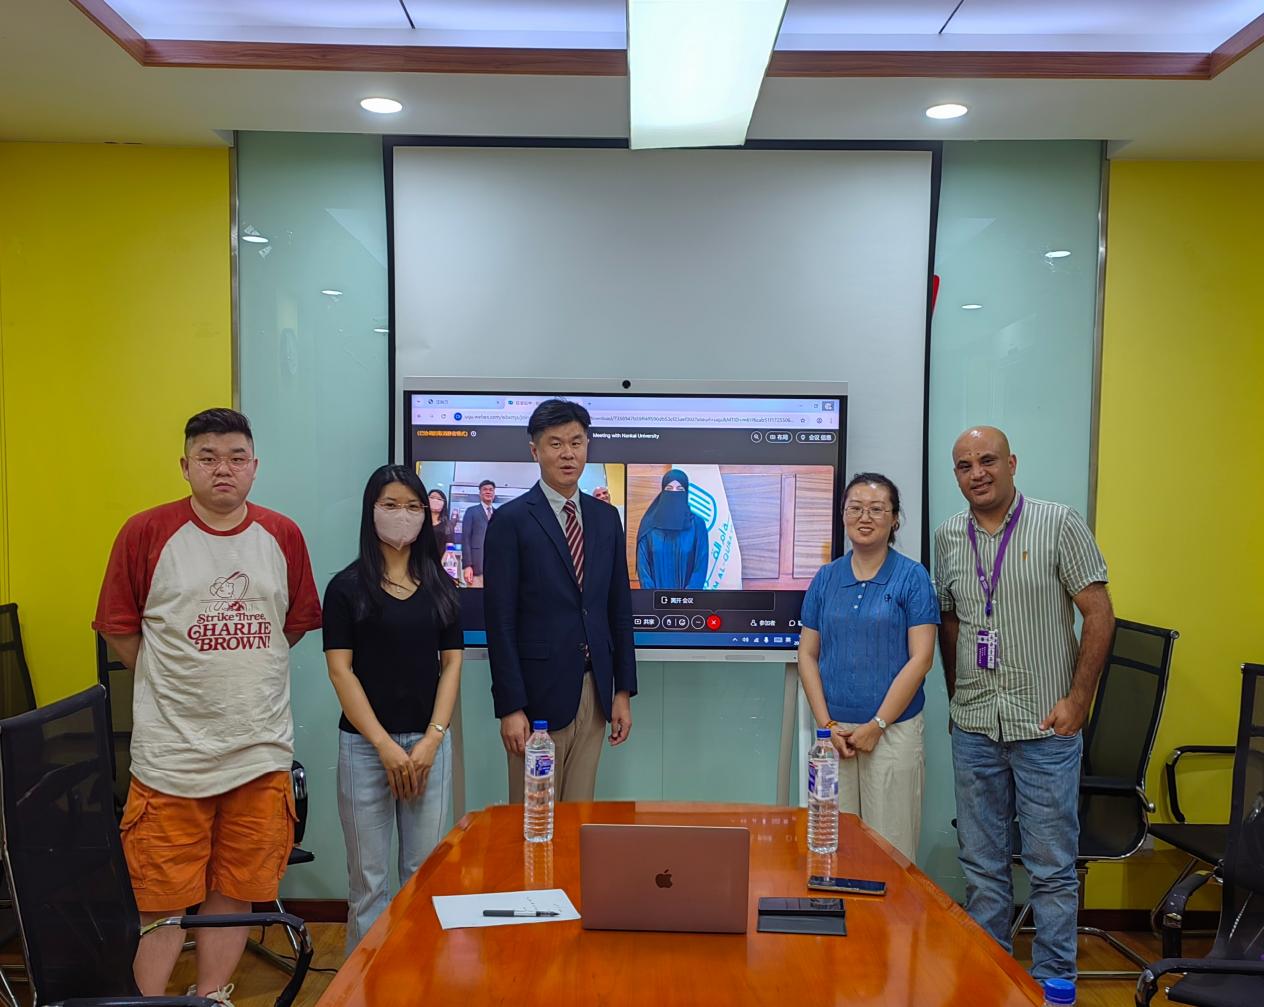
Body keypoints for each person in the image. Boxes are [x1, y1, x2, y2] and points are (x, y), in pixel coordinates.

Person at [93, 408, 321, 1003]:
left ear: (255, 466)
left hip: (259, 751)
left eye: (236, 458)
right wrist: (172, 679)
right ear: (185, 465)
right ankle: (147, 1003)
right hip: (172, 757)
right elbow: (118, 628)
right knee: (161, 897)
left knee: (238, 887)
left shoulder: (283, 535)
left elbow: (292, 625)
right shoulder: (146, 532)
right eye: (208, 457)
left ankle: (212, 995)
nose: (224, 469)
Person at [935, 426, 1114, 984]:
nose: (977, 473)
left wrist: (1078, 701)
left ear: (1011, 463)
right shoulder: (948, 536)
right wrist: (957, 697)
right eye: (965, 465)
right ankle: (992, 981)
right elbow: (950, 621)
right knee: (982, 867)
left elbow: (1100, 614)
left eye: (987, 461)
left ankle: (1054, 983)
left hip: (1043, 726)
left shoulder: (1058, 523)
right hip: (975, 727)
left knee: (1051, 870)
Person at [323, 465, 463, 953]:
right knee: (369, 883)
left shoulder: (441, 586)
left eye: (412, 506)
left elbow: (451, 666)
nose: (402, 515)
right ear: (371, 511)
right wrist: (383, 745)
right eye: (390, 505)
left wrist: (433, 738)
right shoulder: (346, 588)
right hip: (365, 749)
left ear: (426, 514)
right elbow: (341, 671)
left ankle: (418, 977)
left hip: (428, 749)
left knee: (424, 875)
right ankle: (365, 984)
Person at [483, 398, 637, 801]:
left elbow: (618, 609)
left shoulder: (606, 518)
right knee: (534, 817)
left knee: (579, 815)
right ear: (535, 451)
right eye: (555, 443)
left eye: (576, 442)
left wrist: (622, 691)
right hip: (536, 699)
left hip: (594, 691)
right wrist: (510, 707)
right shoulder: (511, 521)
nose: (568, 453)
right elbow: (499, 622)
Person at [796, 473, 938, 860]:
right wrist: (826, 726)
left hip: (892, 733)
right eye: (855, 508)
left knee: (890, 852)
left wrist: (878, 725)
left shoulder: (912, 577)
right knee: (832, 846)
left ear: (895, 519)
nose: (865, 517)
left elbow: (922, 659)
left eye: (877, 509)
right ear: (843, 515)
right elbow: (807, 655)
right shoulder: (826, 578)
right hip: (834, 738)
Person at [635, 469, 709, 590]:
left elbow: (700, 567)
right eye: (669, 489)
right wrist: (654, 597)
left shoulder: (697, 525)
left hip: (688, 599)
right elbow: (643, 569)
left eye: (680, 489)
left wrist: (687, 597)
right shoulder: (649, 526)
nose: (674, 493)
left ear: (686, 493)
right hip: (654, 599)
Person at [461, 479, 496, 587]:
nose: (488, 492)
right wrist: (467, 566)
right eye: (485, 489)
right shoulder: (471, 511)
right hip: (476, 568)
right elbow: (465, 539)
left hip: (494, 569)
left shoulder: (498, 514)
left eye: (491, 490)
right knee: (475, 596)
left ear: (494, 493)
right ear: (480, 493)